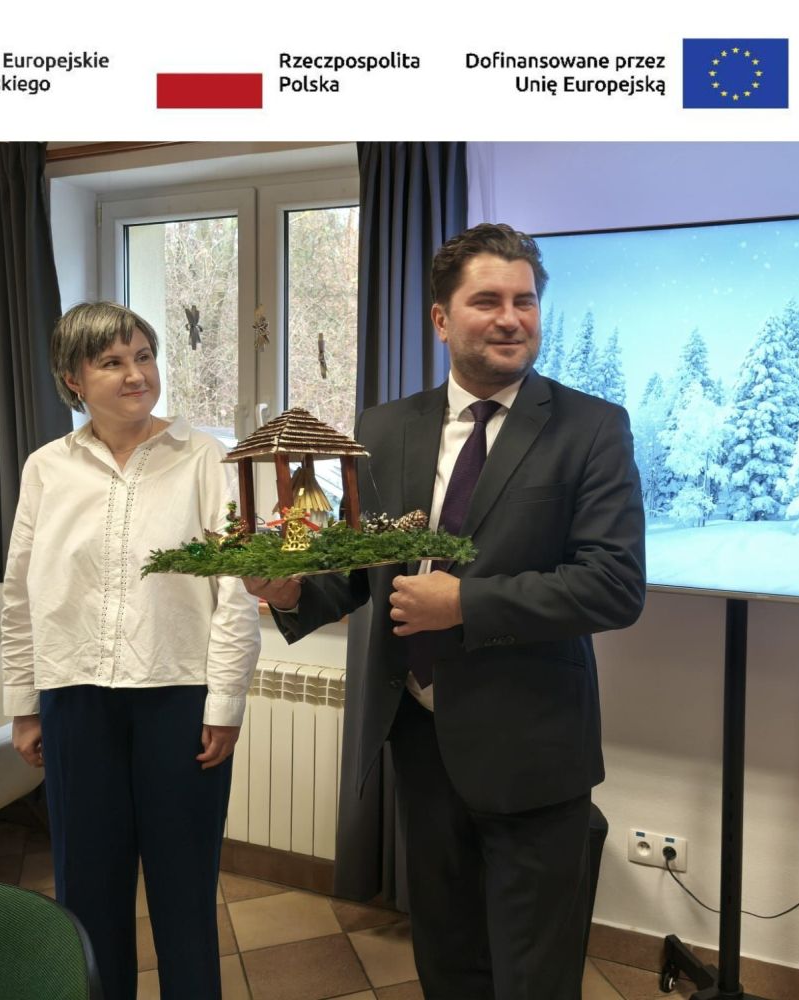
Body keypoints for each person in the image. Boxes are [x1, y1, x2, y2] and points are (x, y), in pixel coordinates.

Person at [247, 223, 646, 1000]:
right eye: (487, 301)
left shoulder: (592, 428)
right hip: (420, 740)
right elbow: (365, 566)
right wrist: (293, 591)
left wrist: (464, 602)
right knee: (447, 957)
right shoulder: (384, 427)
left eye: (524, 301)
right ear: (440, 318)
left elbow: (613, 583)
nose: (510, 318)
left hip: (534, 748)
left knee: (532, 976)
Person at [2, 301, 261, 1000]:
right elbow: (19, 594)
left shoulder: (205, 457)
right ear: (73, 379)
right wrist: (24, 703)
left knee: (185, 889)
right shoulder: (46, 468)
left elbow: (236, 591)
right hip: (74, 698)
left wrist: (225, 703)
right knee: (86, 891)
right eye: (112, 362)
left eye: (143, 357)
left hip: (178, 699)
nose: (135, 374)